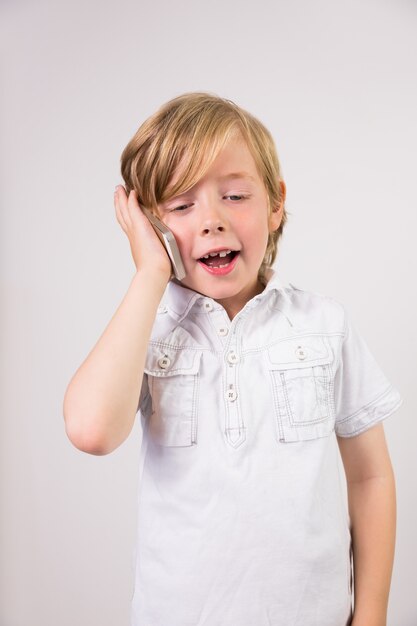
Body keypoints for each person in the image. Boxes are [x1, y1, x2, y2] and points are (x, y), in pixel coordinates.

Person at [63, 92, 403, 626]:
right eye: (180, 205)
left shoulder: (324, 324)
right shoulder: (145, 329)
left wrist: (373, 615)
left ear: (275, 204)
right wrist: (150, 273)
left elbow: (370, 479)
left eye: (236, 195)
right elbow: (91, 430)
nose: (211, 220)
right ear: (149, 227)